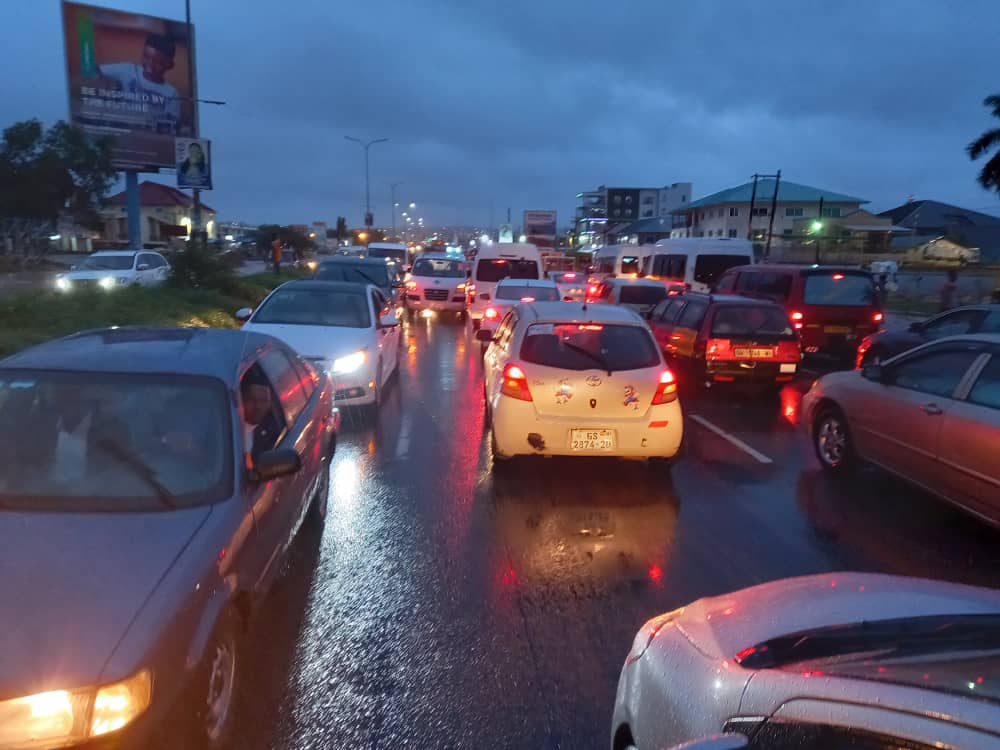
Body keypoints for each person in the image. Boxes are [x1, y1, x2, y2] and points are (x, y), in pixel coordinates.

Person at [95, 33, 181, 134]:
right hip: (121, 130)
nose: (150, 64)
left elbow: (172, 126)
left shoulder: (171, 93)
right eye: (146, 57)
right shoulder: (127, 70)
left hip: (148, 136)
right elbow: (95, 70)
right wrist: (103, 84)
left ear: (170, 65)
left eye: (159, 62)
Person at [239, 369, 282, 465]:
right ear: (241, 400)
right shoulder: (224, 426)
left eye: (263, 400)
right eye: (251, 399)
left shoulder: (275, 431)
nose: (257, 406)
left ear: (270, 403)